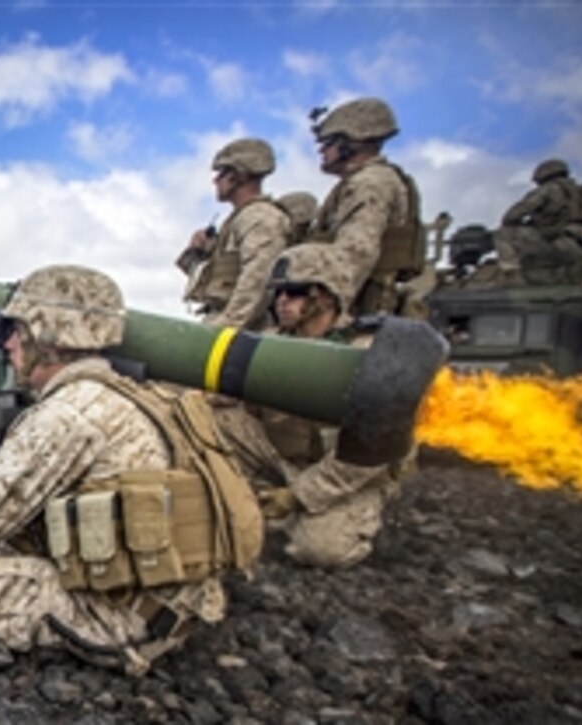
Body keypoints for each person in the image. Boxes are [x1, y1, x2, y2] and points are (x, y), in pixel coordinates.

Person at [0, 264, 261, 675]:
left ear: (46, 339)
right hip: (177, 602)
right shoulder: (138, 393)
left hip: (119, 622)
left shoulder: (68, 414)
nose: (9, 344)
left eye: (18, 331)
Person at [235, 244, 407, 569]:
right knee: (211, 419)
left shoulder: (368, 354)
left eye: (294, 292)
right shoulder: (273, 340)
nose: (282, 301)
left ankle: (326, 515)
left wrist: (297, 496)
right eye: (278, 293)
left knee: (322, 552)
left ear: (326, 297)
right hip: (285, 456)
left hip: (341, 472)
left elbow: (368, 453)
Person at [307, 97, 426, 317]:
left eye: (329, 142)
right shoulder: (362, 182)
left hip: (361, 310)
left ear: (350, 144)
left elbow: (356, 253)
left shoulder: (369, 184)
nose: (322, 150)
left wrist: (328, 313)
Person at [177, 138, 291, 330]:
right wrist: (199, 252)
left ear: (239, 176)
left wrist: (225, 329)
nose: (216, 180)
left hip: (244, 329)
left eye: (222, 173)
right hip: (224, 319)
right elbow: (213, 280)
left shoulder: (260, 218)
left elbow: (258, 280)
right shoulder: (239, 219)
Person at [493, 158, 582, 285]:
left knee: (503, 234)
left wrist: (525, 223)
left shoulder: (549, 189)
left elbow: (513, 215)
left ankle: (511, 275)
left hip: (557, 240)